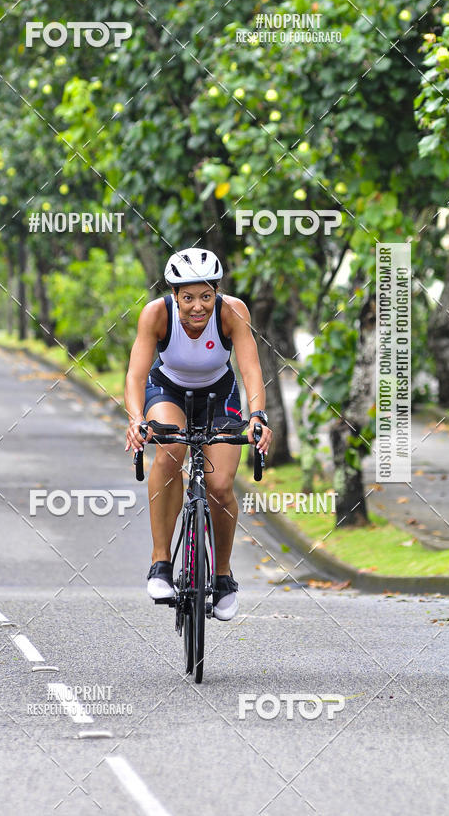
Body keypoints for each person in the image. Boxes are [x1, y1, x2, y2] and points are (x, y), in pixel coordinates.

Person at [124, 248, 272, 621]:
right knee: (171, 447)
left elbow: (251, 368)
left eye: (206, 296)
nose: (197, 307)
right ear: (175, 296)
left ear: (217, 293)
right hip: (167, 390)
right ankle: (161, 562)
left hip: (220, 395)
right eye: (188, 297)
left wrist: (257, 416)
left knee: (220, 486)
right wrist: (136, 419)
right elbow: (136, 375)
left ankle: (222, 576)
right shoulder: (156, 314)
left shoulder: (232, 311)